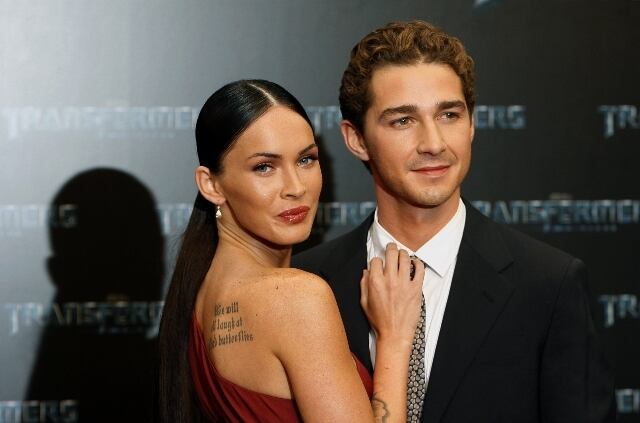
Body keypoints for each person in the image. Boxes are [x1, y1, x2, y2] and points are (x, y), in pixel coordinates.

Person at [294, 20, 615, 422]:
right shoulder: (307, 286)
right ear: (356, 139)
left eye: (449, 115)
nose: (433, 143)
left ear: (472, 123)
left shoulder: (549, 285)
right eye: (403, 120)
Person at [158, 79, 425, 422]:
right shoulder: (297, 297)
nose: (296, 187)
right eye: (264, 167)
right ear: (211, 185)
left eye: (306, 159)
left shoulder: (199, 293)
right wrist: (394, 341)